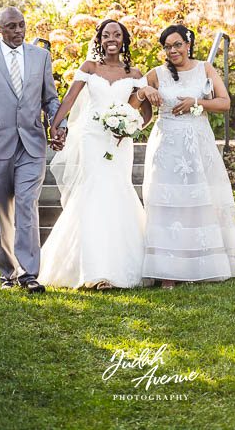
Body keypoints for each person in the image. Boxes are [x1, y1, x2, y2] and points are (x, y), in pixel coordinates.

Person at [39, 20, 149, 289]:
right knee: (93, 191)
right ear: (99, 40)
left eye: (117, 35)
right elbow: (69, 99)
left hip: (120, 142)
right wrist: (55, 124)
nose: (112, 39)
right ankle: (93, 269)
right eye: (106, 35)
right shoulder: (89, 68)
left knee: (119, 190)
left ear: (124, 40)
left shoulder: (135, 73)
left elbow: (146, 113)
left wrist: (131, 128)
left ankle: (119, 267)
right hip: (92, 138)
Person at [138, 24, 235, 288]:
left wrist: (197, 103)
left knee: (200, 202)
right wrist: (142, 91)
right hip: (167, 146)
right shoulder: (156, 73)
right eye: (167, 47)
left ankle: (202, 263)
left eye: (177, 44)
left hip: (199, 144)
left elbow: (224, 102)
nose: (172, 50)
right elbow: (135, 105)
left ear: (188, 44)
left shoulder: (204, 69)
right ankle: (167, 272)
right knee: (167, 203)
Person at [0, 6, 64, 294]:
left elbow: (50, 98)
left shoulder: (40, 56)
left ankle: (29, 273)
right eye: (11, 26)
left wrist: (59, 124)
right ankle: (7, 273)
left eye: (21, 25)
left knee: (26, 204)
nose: (18, 31)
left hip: (32, 143)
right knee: (2, 211)